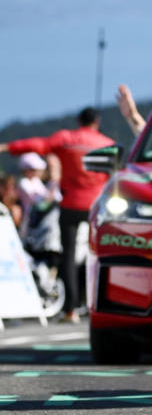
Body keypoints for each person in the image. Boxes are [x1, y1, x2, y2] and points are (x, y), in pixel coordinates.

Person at [0, 107, 114, 323]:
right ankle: (103, 304)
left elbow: (39, 145)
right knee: (102, 254)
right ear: (96, 122)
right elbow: (116, 174)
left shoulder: (67, 138)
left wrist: (8, 147)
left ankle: (70, 309)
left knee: (68, 256)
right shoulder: (106, 144)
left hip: (71, 204)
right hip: (98, 206)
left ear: (79, 121)